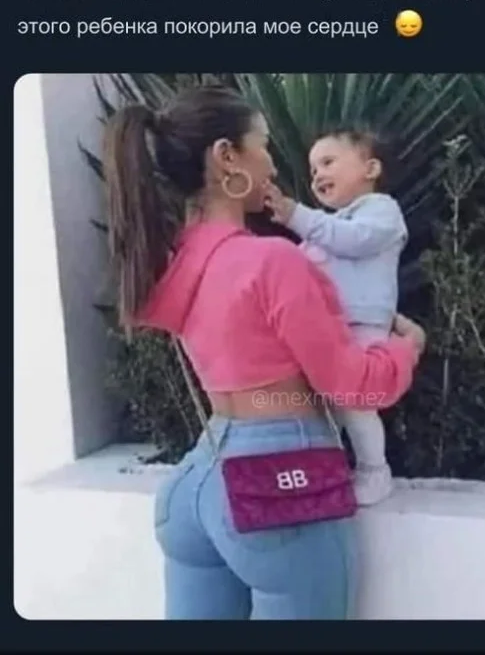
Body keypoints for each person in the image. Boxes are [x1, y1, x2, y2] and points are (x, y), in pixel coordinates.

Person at [101, 83, 426, 620]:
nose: (273, 164)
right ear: (227, 156)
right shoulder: (274, 262)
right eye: (264, 145)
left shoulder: (181, 266)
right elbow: (349, 385)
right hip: (280, 488)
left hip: (199, 481)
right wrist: (404, 350)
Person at [264, 128, 407, 505]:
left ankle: (375, 471)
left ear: (370, 169)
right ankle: (332, 470)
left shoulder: (381, 210)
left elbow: (353, 240)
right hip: (332, 327)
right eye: (313, 170)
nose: (317, 175)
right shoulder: (328, 226)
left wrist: (295, 215)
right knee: (328, 406)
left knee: (355, 402)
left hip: (363, 324)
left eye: (328, 162)